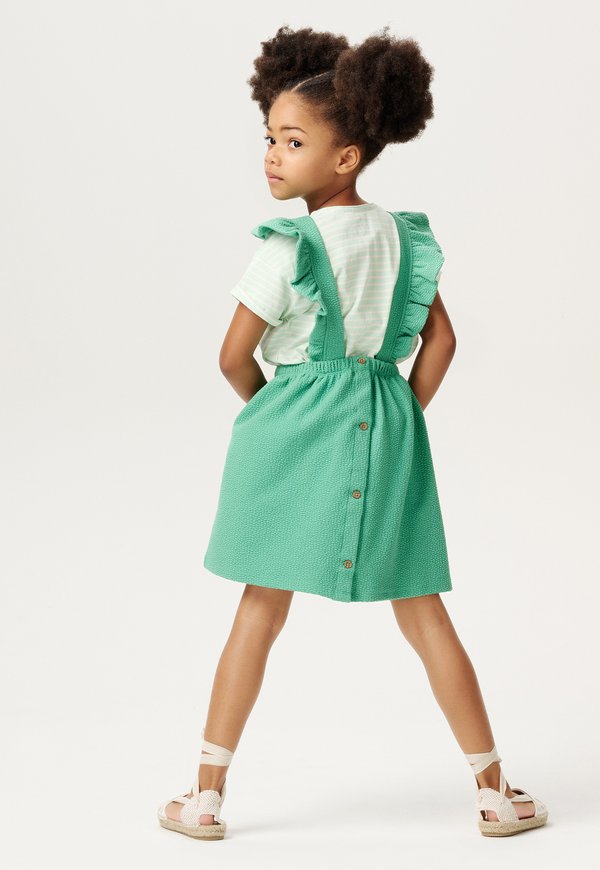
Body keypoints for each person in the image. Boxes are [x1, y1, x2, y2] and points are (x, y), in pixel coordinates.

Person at [157, 24, 548, 840]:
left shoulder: (286, 248)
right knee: (424, 612)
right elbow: (441, 342)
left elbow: (231, 357)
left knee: (259, 609)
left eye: (293, 141)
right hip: (385, 419)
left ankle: (205, 798)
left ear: (346, 157)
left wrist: (277, 413)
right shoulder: (404, 238)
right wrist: (396, 414)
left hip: (292, 431)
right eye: (269, 137)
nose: (273, 155)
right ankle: (493, 792)